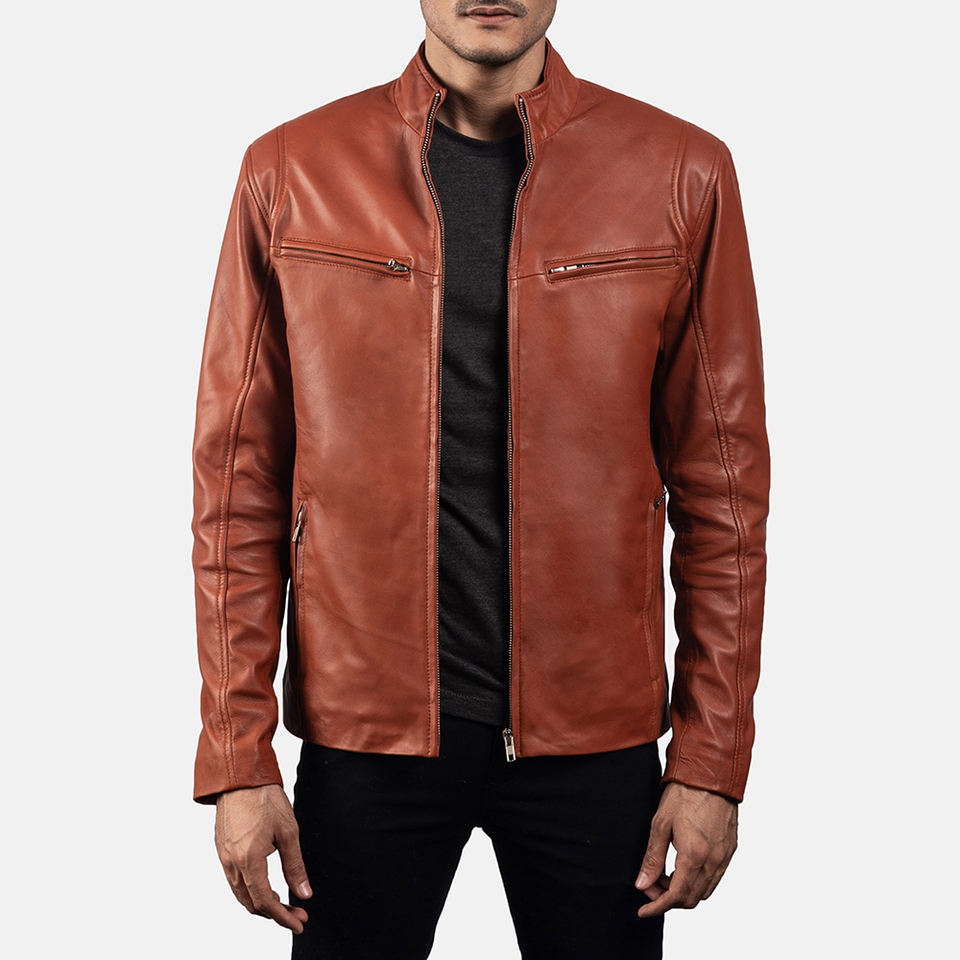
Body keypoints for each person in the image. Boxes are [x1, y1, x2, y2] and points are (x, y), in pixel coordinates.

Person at [190, 2, 770, 957]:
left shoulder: (680, 172)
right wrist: (237, 755)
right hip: (365, 739)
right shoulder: (291, 172)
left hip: (595, 744)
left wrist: (711, 760)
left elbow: (726, 496)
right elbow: (235, 488)